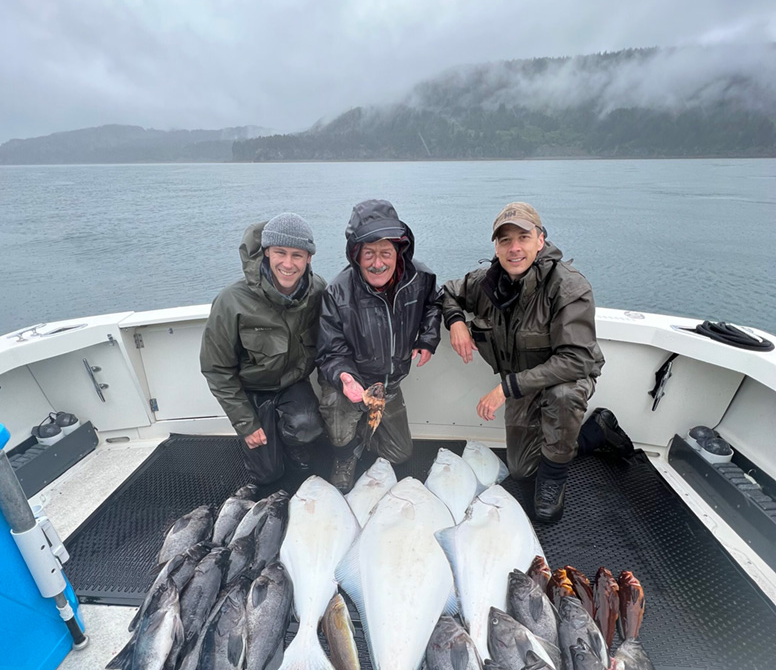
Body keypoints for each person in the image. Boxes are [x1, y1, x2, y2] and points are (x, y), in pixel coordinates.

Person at [442, 201, 632, 523]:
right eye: (505, 240)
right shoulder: (487, 282)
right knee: (520, 469)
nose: (514, 248)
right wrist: (456, 321)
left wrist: (505, 388)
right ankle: (597, 431)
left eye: (523, 238)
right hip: (523, 386)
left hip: (565, 379)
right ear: (496, 247)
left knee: (563, 396)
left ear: (540, 240)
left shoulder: (568, 286)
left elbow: (577, 359)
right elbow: (447, 291)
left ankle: (554, 480)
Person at [316, 198, 443, 492]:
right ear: (355, 255)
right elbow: (330, 350)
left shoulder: (420, 278)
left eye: (386, 252)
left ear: (399, 251)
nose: (378, 263)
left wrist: (428, 337)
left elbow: (434, 304)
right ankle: (344, 455)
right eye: (368, 254)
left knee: (400, 454)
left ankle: (361, 434)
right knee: (337, 406)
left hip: (390, 385)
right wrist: (345, 377)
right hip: (351, 383)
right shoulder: (337, 291)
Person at [200, 212, 326, 485]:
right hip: (252, 391)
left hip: (293, 384)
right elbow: (217, 369)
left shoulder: (318, 291)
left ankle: (291, 441)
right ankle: (265, 442)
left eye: (298, 255)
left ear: (309, 258)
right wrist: (246, 423)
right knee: (268, 475)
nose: (288, 264)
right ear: (267, 252)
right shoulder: (231, 301)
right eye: (280, 252)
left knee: (307, 428)